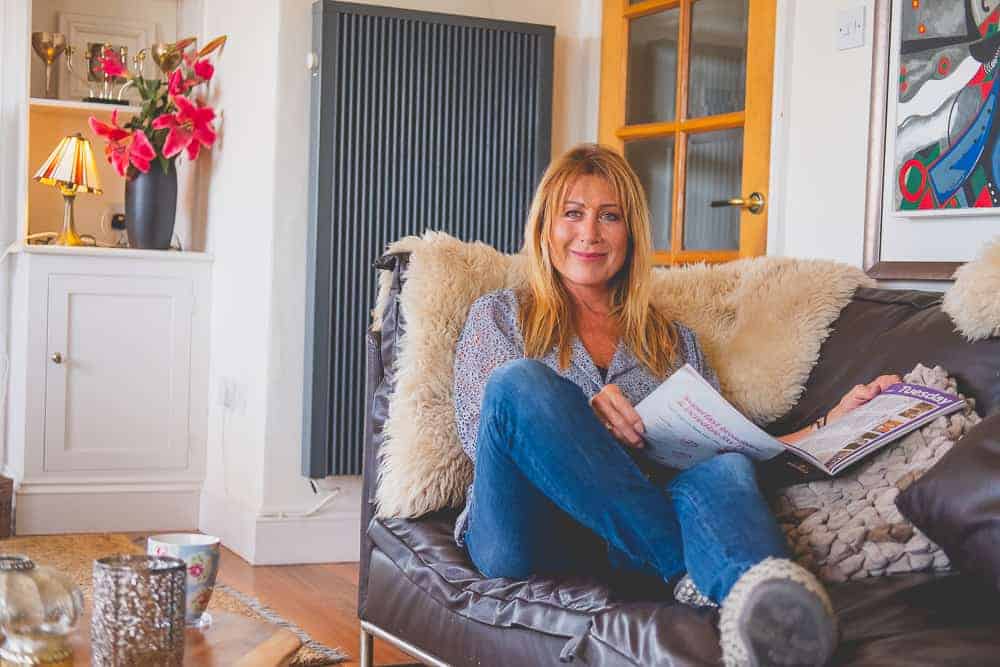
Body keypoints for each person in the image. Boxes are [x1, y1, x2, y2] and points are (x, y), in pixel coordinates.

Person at [452, 144, 899, 666]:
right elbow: (483, 433)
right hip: (526, 531)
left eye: (610, 216)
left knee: (725, 467)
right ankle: (684, 562)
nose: (590, 233)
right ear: (545, 228)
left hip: (622, 542)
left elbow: (723, 442)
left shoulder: (672, 341)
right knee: (519, 382)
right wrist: (581, 422)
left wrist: (831, 422)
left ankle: (774, 620)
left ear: (631, 234)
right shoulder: (500, 315)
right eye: (572, 213)